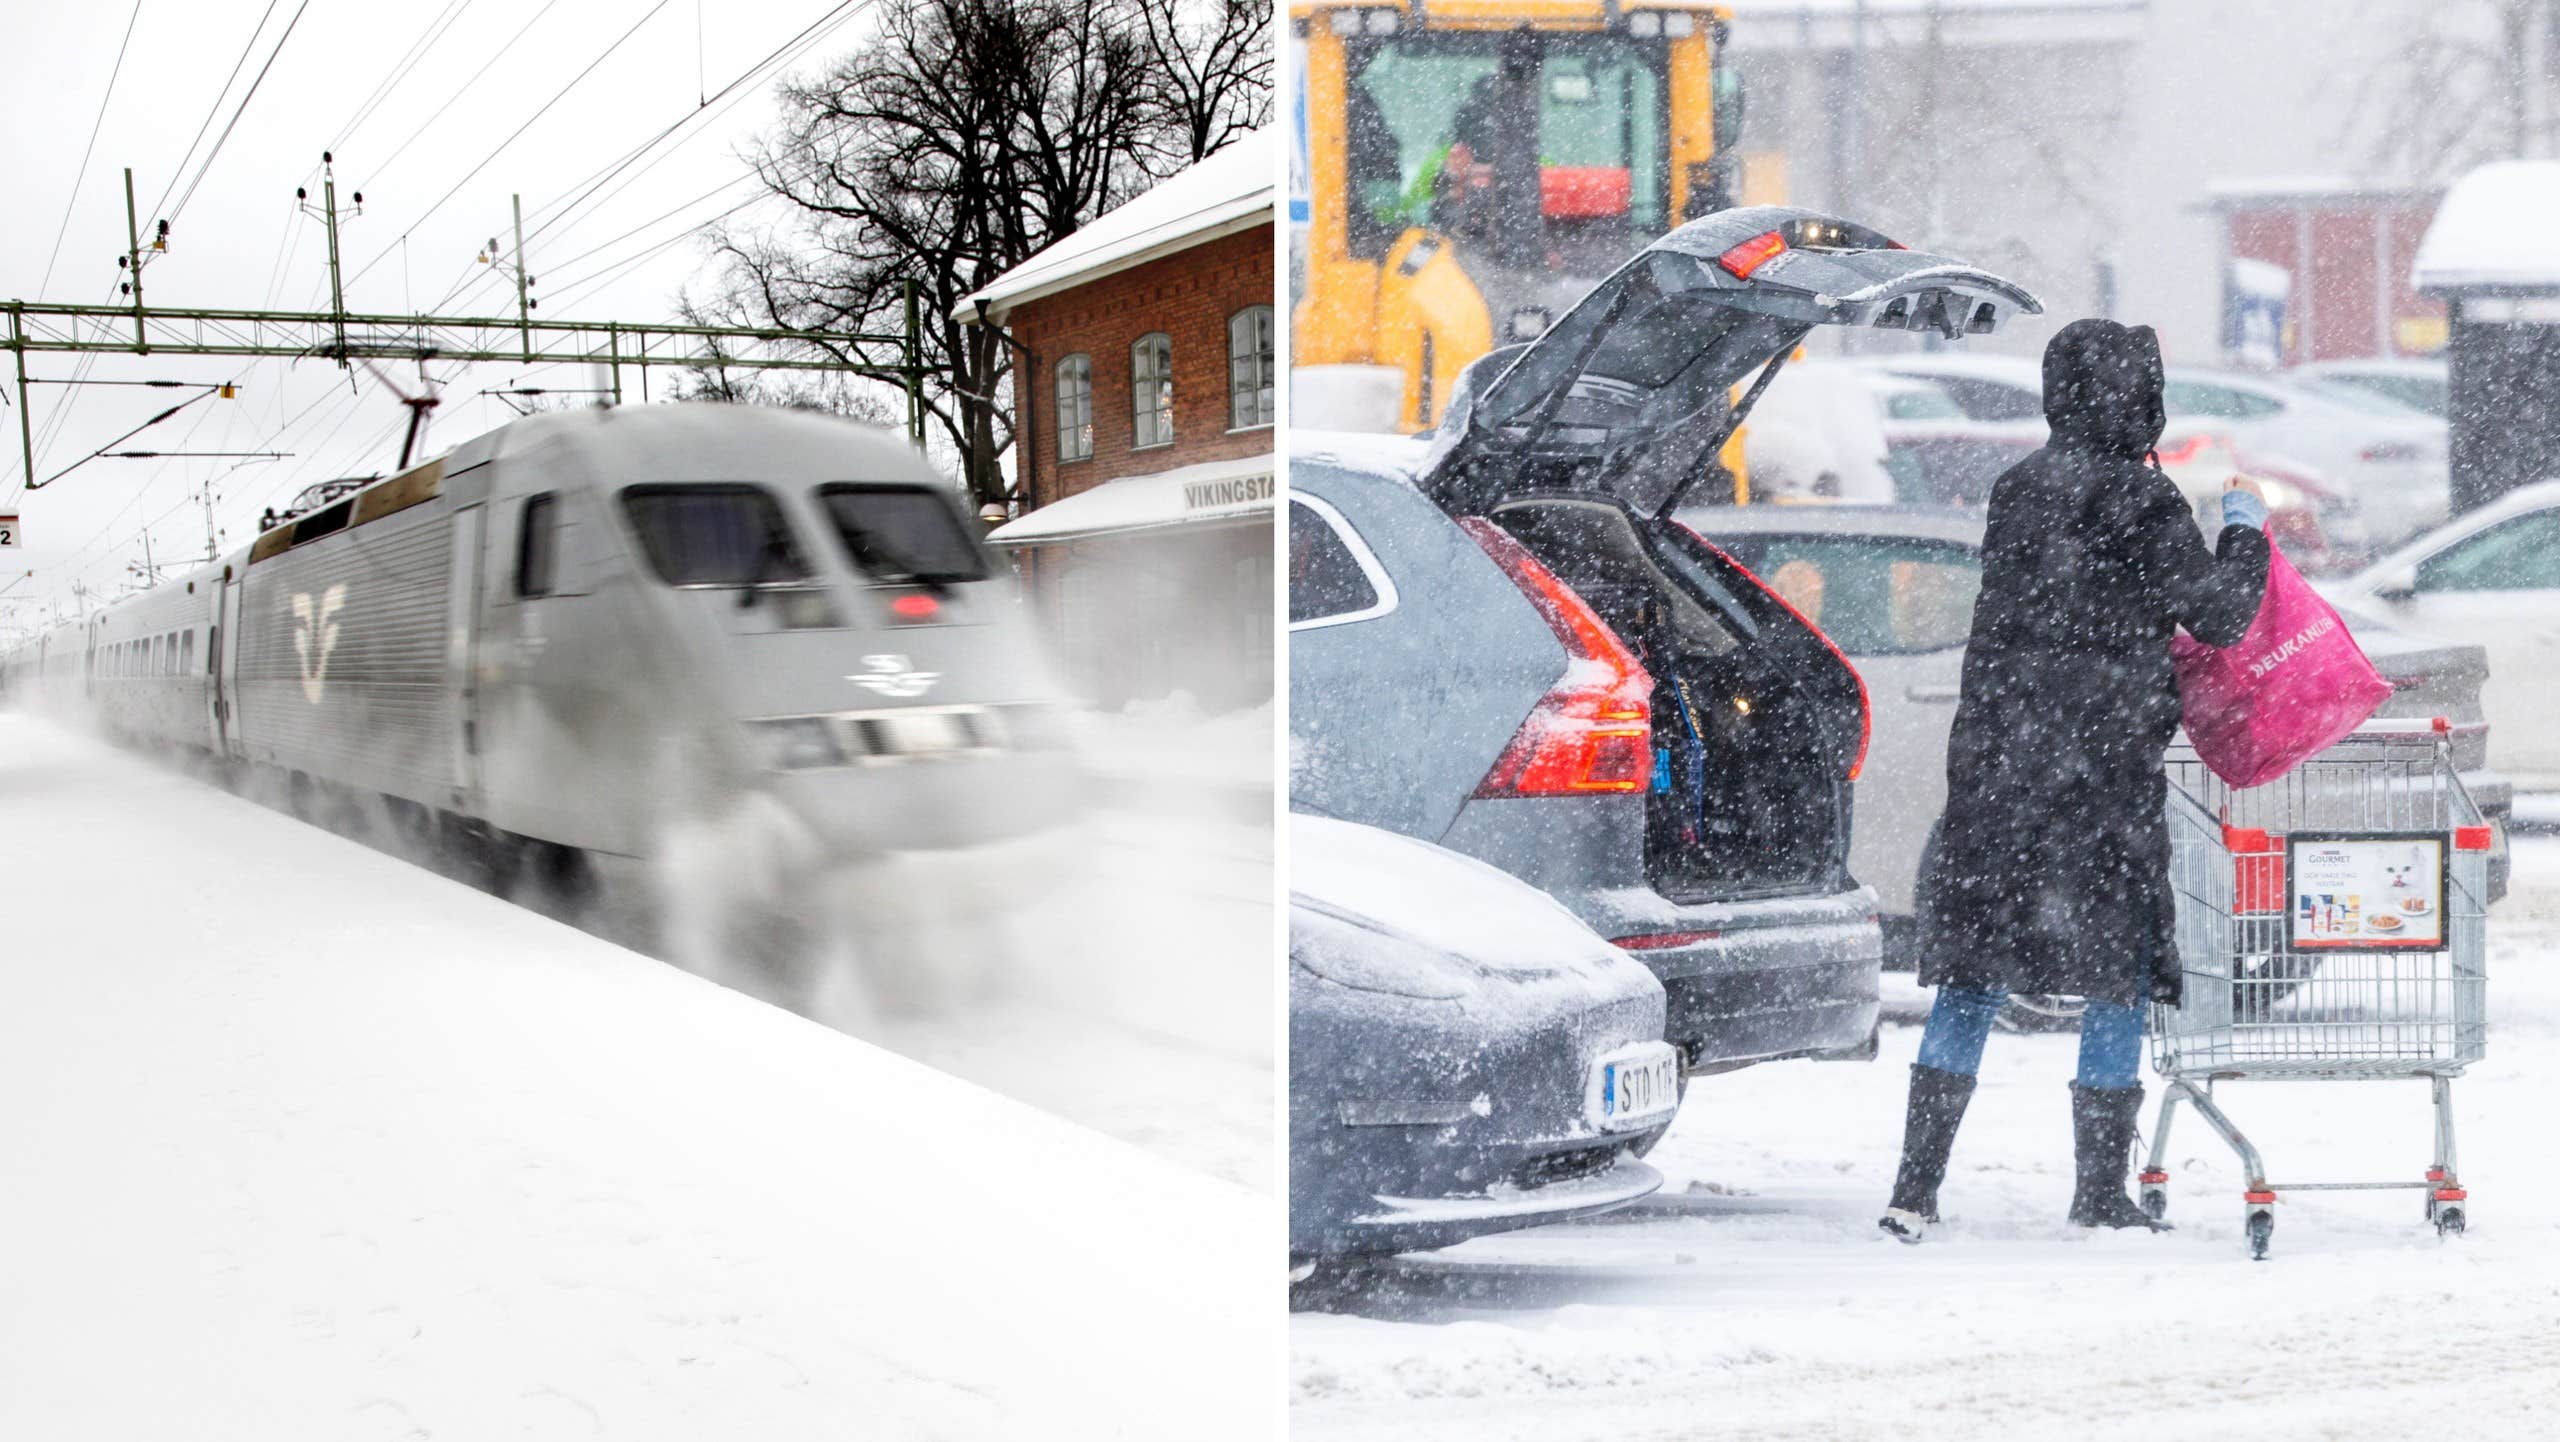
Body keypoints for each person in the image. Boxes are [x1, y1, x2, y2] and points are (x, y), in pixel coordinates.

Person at [1880, 318, 2271, 1244]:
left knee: (1972, 971)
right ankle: (2099, 1191)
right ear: (2142, 396)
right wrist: (2245, 527)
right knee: (2116, 968)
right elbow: (2220, 613)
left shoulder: (2016, 491)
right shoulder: (2145, 504)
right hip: (2101, 773)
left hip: (2000, 767)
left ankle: (1915, 1189)